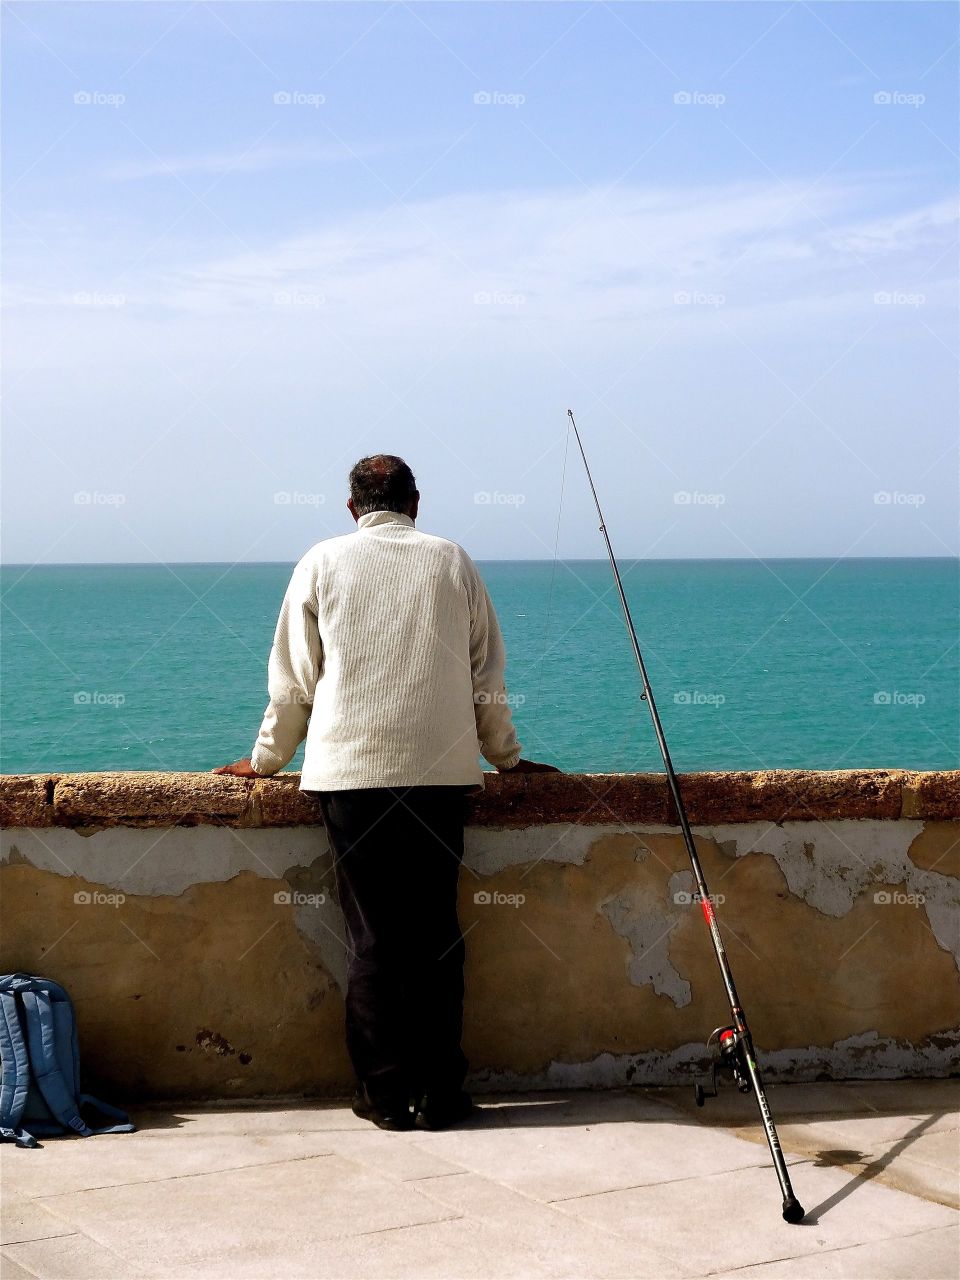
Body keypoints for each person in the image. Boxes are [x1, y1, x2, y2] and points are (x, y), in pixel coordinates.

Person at [215, 454, 558, 1131]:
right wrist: (507, 759)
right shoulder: (451, 561)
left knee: (375, 941)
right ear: (416, 503)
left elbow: (294, 679)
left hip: (351, 778)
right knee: (436, 935)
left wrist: (266, 760)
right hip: (441, 775)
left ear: (353, 508)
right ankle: (440, 1094)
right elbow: (486, 670)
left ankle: (384, 1094)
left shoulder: (321, 561)